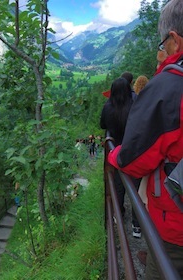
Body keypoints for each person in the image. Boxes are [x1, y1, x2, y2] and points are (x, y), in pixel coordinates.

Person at [108, 0, 183, 278]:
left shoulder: (168, 87)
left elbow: (134, 159)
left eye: (162, 45)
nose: (160, 52)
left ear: (174, 41)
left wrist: (114, 154)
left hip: (176, 226)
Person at [100, 77, 141, 237]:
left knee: (118, 185)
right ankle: (137, 226)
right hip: (134, 152)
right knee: (137, 190)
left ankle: (119, 213)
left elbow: (102, 125)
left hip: (116, 152)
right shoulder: (135, 105)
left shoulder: (108, 107)